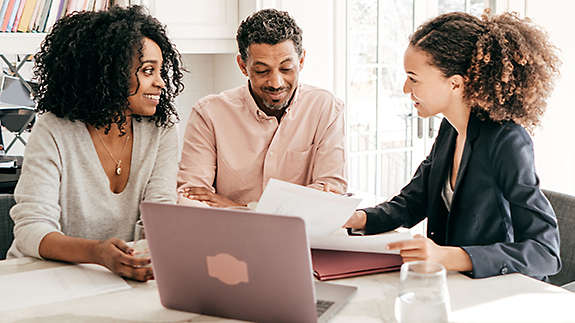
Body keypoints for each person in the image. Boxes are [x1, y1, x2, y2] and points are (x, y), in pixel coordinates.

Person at [344, 11, 561, 280]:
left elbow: (545, 252)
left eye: (413, 78)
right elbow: (413, 201)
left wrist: (450, 257)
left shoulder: (507, 141)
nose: (404, 88)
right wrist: (357, 219)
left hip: (498, 290)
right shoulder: (451, 128)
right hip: (455, 285)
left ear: (455, 83)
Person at [7, 6, 184, 282]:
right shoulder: (54, 129)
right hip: (41, 278)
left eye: (161, 71)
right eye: (148, 71)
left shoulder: (161, 131)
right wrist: (97, 253)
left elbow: (160, 219)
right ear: (110, 72)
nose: (161, 82)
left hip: (117, 279)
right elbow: (31, 230)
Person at [177, 9, 347, 208]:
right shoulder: (208, 114)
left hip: (300, 237)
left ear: (301, 62)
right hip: (228, 237)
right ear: (243, 66)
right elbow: (191, 198)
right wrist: (300, 200)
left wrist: (237, 208)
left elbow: (331, 194)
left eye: (286, 69)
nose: (276, 82)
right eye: (262, 71)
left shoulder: (326, 108)